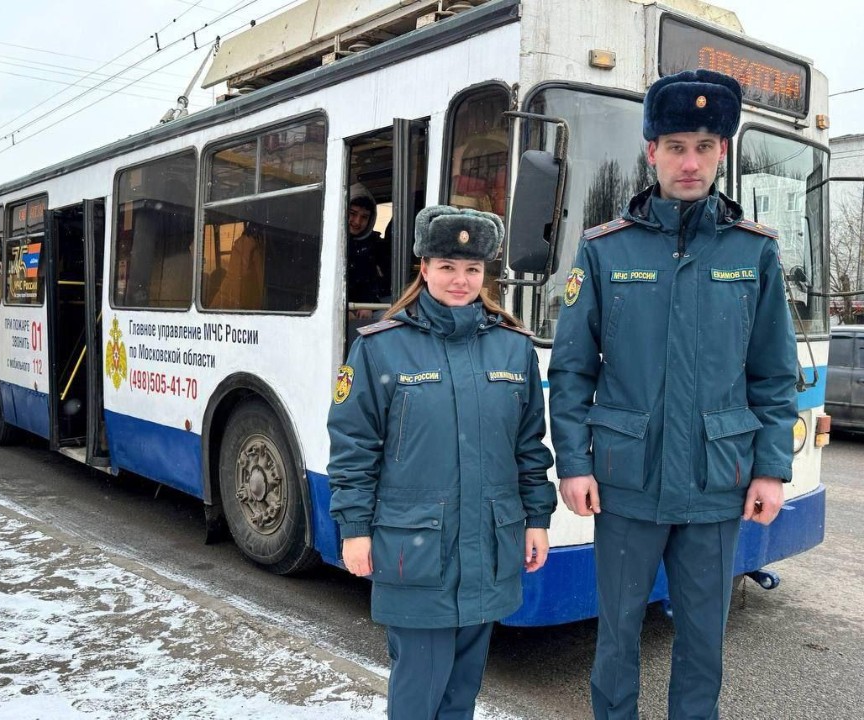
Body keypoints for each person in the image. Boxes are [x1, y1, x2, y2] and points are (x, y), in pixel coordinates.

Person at [547, 69, 798, 720]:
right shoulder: (606, 252)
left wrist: (772, 468)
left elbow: (773, 375)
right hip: (627, 483)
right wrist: (573, 461)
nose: (691, 161)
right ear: (651, 150)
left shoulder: (754, 254)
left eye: (706, 146)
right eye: (677, 145)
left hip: (717, 484)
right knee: (617, 638)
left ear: (723, 153)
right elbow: (572, 370)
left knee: (703, 643)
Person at [327, 205, 556, 720]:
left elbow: (529, 446)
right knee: (419, 688)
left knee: (462, 690)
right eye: (447, 266)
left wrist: (537, 519)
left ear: (485, 274)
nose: (460, 279)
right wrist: (354, 528)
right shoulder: (381, 348)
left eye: (472, 269)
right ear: (423, 268)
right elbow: (353, 446)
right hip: (416, 548)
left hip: (488, 544)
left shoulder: (512, 348)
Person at [347, 183, 391, 318]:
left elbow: (378, 282)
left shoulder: (376, 246)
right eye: (352, 214)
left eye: (364, 217)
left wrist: (368, 305)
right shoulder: (329, 241)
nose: (357, 222)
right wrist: (342, 310)